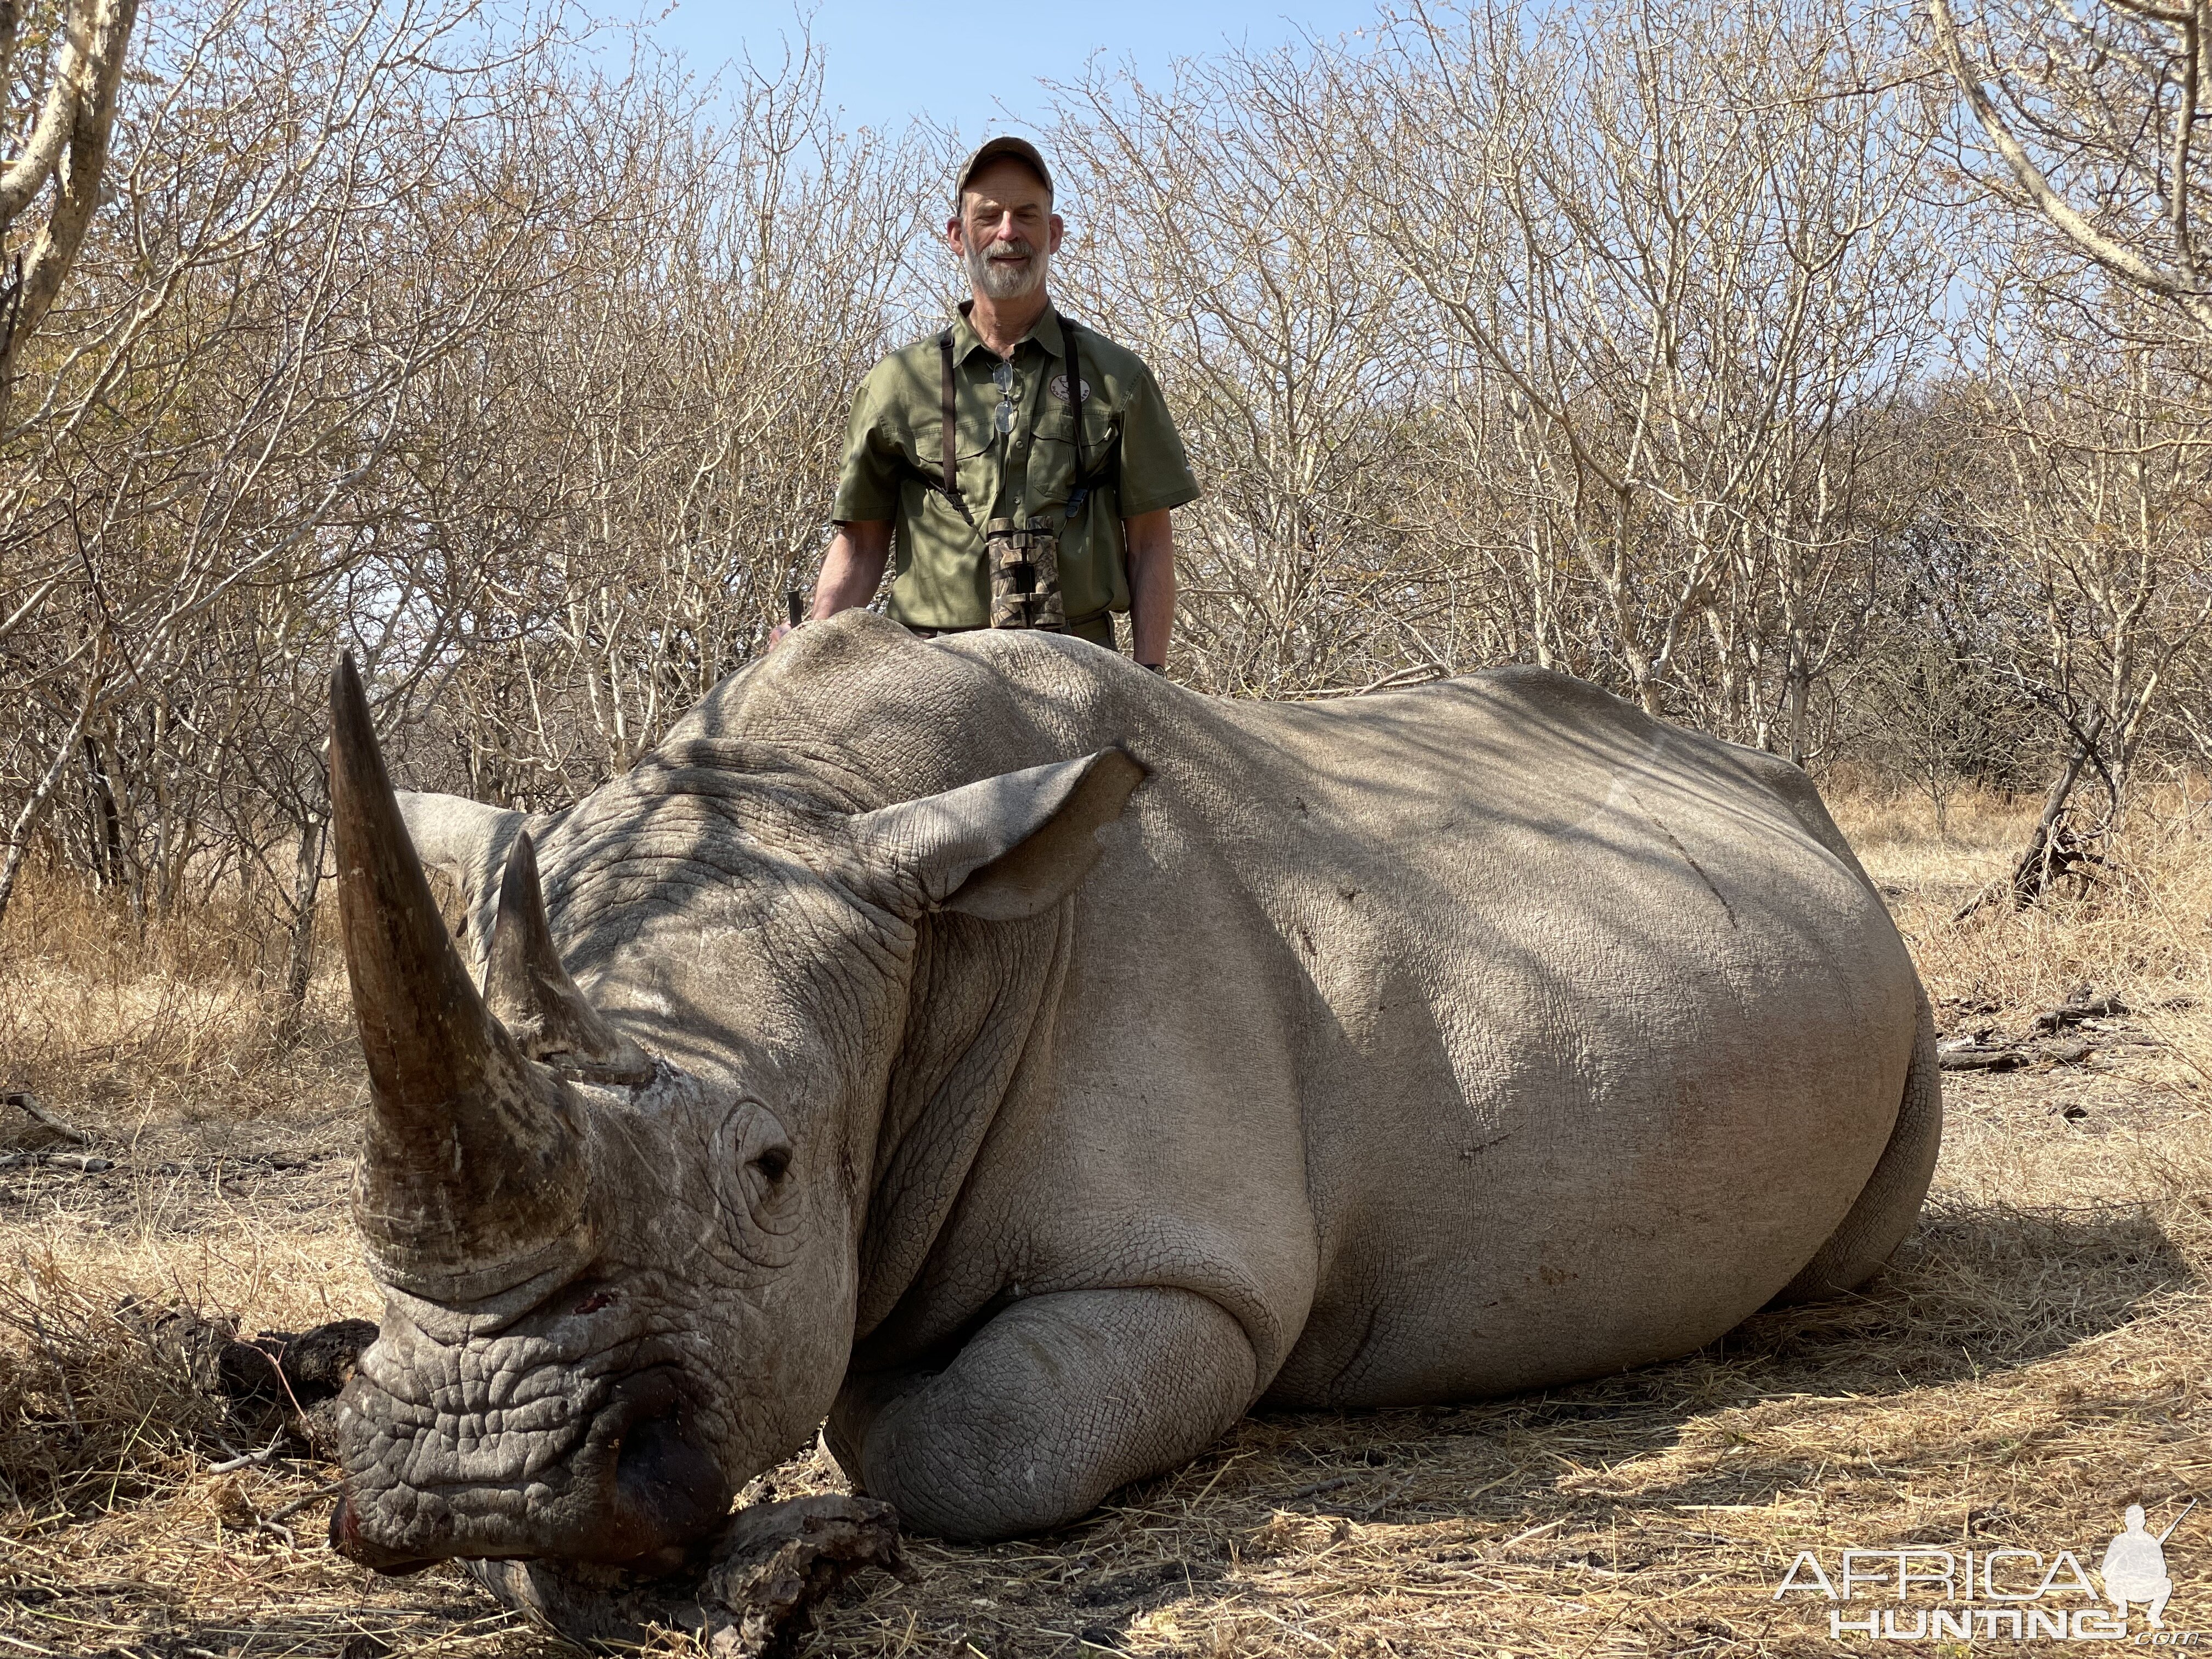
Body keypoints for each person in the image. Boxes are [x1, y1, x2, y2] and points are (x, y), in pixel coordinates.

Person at [786, 136, 1197, 672]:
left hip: (1082, 674)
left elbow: (1150, 545)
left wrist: (1150, 680)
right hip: (933, 677)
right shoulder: (896, 384)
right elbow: (861, 548)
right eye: (989, 216)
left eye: (1027, 215)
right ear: (958, 236)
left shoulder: (1120, 379)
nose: (1009, 231)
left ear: (1053, 234)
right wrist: (809, 648)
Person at [2102, 1504, 2175, 1629]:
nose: (2134, 1523)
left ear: (2143, 1522)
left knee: (2166, 1583)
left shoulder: (2150, 1541)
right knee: (2110, 1584)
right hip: (2123, 1588)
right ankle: (2122, 1606)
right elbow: (2105, 1572)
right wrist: (2122, 1565)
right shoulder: (2119, 1541)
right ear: (2126, 1521)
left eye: (2138, 1520)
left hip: (2145, 1588)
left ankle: (2154, 1615)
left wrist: (2146, 1569)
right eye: (2131, 1520)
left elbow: (2162, 1571)